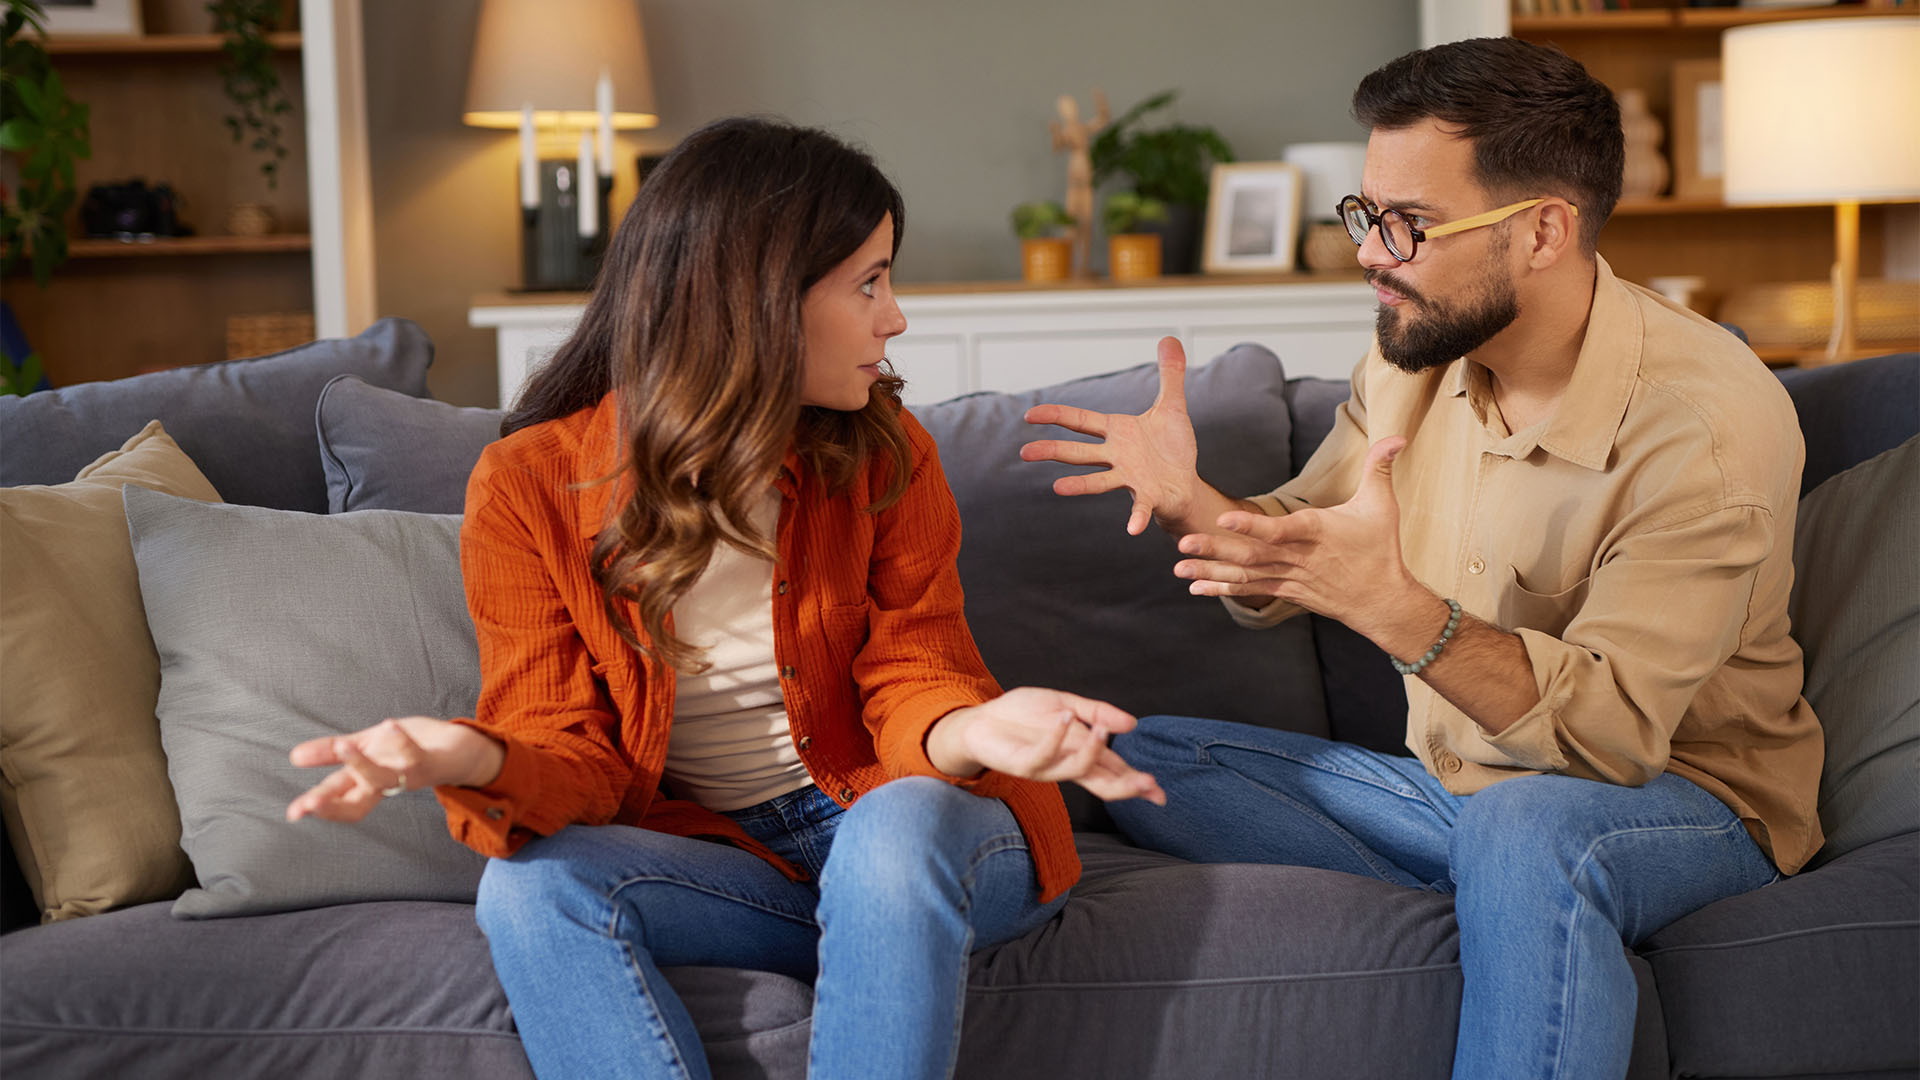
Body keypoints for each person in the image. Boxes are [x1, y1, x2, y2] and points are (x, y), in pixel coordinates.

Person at [285, 117, 1164, 1080]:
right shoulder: (527, 487)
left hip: (921, 841)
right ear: (753, 299)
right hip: (738, 867)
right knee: (530, 889)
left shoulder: (887, 452)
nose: (896, 317)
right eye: (869, 282)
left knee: (890, 825)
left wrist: (974, 734)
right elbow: (566, 749)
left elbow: (916, 670)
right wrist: (475, 753)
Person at [1021, 37, 1822, 1080]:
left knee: (1530, 834)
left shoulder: (1701, 429)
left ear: (1543, 230)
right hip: (1465, 794)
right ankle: (1513, 900)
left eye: (1410, 224)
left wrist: (1400, 613)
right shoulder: (1419, 354)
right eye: (1366, 215)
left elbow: (1615, 737)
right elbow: (1304, 547)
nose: (1369, 253)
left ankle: (1521, 886)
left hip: (1691, 801)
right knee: (1137, 756)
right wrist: (1194, 504)